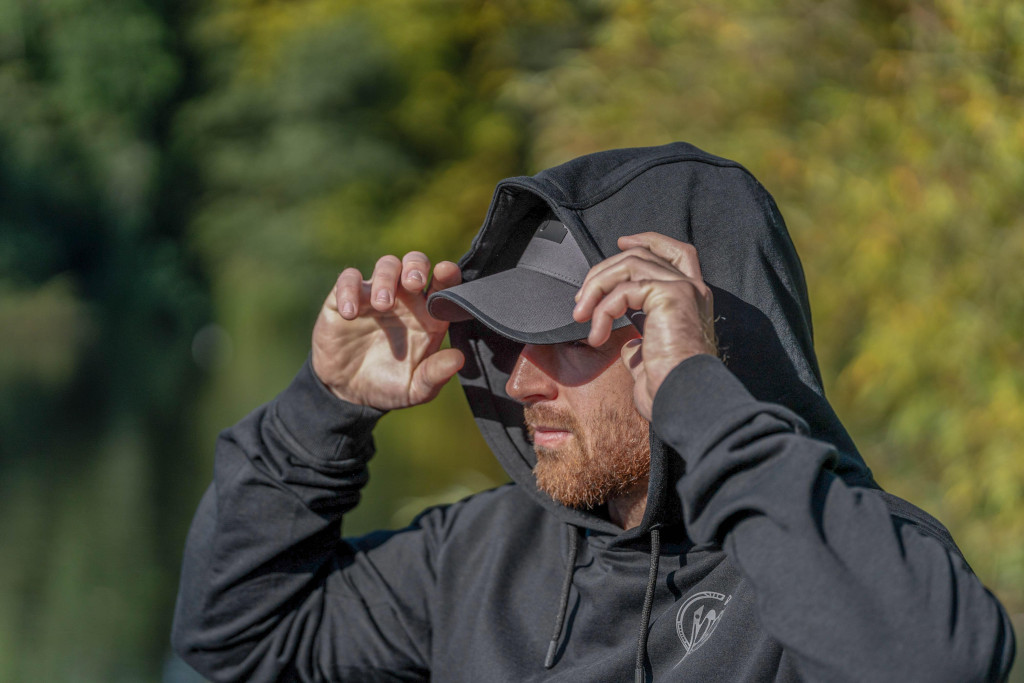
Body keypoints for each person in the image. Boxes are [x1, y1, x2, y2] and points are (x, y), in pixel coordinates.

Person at [172, 142, 1016, 682]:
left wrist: (698, 398)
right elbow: (236, 635)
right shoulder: (478, 559)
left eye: (569, 336)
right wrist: (325, 408)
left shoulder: (848, 560)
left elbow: (941, 662)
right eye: (510, 339)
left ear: (691, 339)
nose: (521, 381)